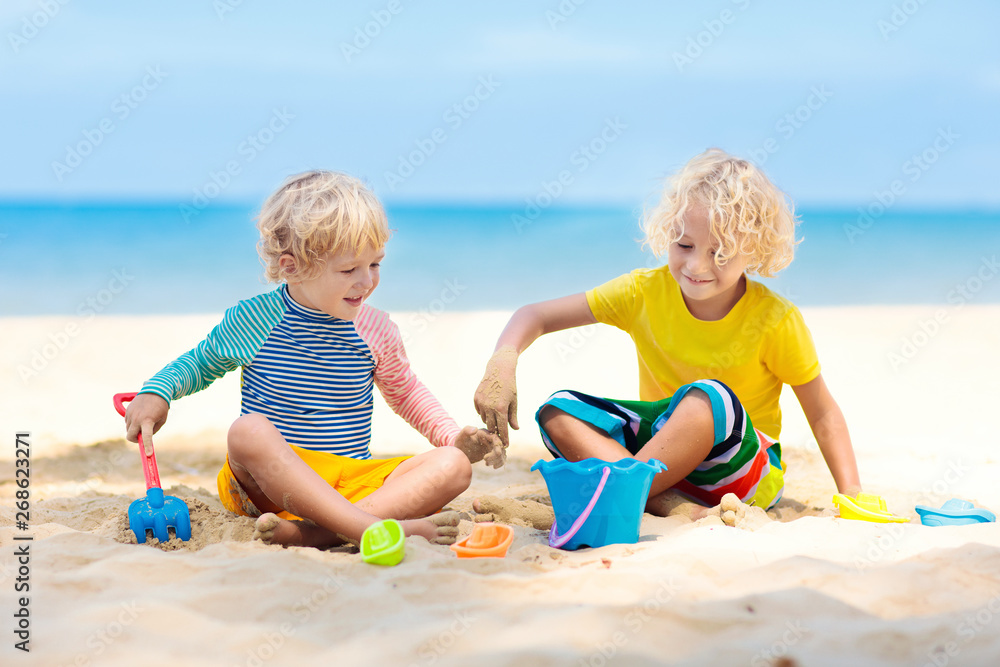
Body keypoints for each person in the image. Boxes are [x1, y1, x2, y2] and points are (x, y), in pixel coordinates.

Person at [125, 170, 504, 548]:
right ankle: (367, 528)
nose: (367, 281)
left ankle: (319, 534)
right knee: (247, 432)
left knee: (451, 465)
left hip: (348, 484)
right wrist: (157, 392)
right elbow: (200, 363)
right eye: (348, 269)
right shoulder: (256, 319)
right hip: (272, 484)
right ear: (292, 267)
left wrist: (451, 438)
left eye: (375, 264)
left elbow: (405, 393)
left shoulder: (375, 329)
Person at [474, 149, 861, 515]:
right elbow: (536, 315)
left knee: (707, 398)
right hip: (659, 460)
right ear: (669, 231)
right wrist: (503, 364)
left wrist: (852, 495)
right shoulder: (643, 292)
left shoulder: (775, 320)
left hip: (739, 473)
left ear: (755, 250)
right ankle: (656, 497)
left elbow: (823, 413)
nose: (697, 265)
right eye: (685, 244)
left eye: (720, 253)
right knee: (559, 410)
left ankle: (629, 490)